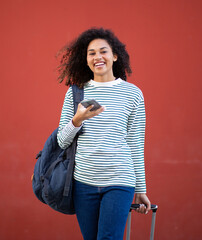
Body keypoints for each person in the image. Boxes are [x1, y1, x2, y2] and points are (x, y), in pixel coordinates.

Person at [56, 27, 151, 240]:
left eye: (103, 51)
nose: (98, 57)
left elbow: (135, 144)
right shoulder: (75, 92)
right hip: (83, 183)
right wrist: (78, 120)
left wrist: (141, 189)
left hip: (120, 181)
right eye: (92, 53)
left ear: (115, 56)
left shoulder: (133, 94)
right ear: (86, 59)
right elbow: (62, 141)